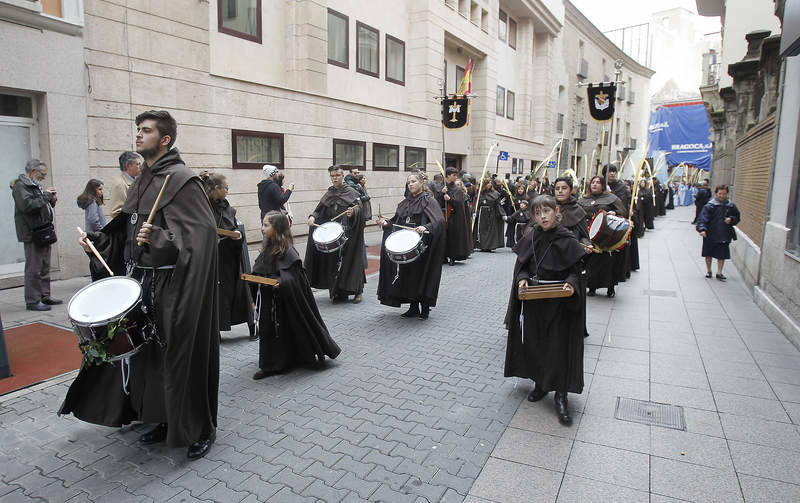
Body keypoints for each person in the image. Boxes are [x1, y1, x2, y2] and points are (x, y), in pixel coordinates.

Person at [61, 110, 219, 459]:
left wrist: (161, 236)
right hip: (141, 284)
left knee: (181, 355)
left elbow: (203, 238)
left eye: (146, 131)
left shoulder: (182, 180)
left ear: (165, 139)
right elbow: (126, 232)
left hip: (173, 286)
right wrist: (98, 243)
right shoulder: (144, 179)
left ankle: (199, 428)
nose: (138, 135)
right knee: (151, 358)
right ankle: (163, 418)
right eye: (137, 130)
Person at [504, 195, 587, 425]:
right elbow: (522, 266)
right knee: (536, 343)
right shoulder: (531, 237)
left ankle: (561, 395)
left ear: (556, 211)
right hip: (535, 301)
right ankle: (541, 385)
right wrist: (521, 279)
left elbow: (576, 269)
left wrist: (571, 282)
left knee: (558, 348)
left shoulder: (567, 238)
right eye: (538, 213)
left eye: (547, 211)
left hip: (559, 303)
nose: (543, 216)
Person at [250, 211, 340, 378]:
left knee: (285, 329)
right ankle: (269, 365)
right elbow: (259, 269)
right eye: (263, 224)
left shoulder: (288, 251)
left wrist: (281, 282)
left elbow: (295, 278)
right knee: (267, 329)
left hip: (285, 302)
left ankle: (288, 361)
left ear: (277, 228)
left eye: (266, 225)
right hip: (268, 299)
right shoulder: (267, 248)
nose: (262, 229)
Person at [376, 173, 445, 319]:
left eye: (413, 181)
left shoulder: (429, 201)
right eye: (408, 182)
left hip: (422, 245)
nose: (410, 185)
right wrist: (386, 223)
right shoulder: (405, 202)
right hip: (406, 245)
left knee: (422, 275)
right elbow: (396, 221)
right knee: (408, 276)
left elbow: (438, 221)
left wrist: (426, 227)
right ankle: (413, 307)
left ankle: (424, 308)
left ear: (421, 183)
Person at [202, 172, 255, 339]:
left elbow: (232, 226)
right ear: (216, 188)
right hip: (214, 260)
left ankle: (252, 325)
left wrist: (237, 234)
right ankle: (216, 330)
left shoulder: (227, 208)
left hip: (231, 258)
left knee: (240, 292)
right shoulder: (203, 207)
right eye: (226, 188)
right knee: (216, 294)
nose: (227, 191)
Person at [305, 165, 366, 303]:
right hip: (332, 234)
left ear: (342, 175)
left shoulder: (351, 192)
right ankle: (339, 292)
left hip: (348, 233)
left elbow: (361, 210)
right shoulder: (329, 193)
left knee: (351, 261)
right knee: (334, 263)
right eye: (332, 176)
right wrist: (312, 217)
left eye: (337, 175)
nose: (335, 178)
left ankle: (357, 291)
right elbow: (319, 210)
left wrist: (353, 213)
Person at [11, 159, 61, 311]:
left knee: (45, 266)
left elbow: (40, 205)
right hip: (32, 233)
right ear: (32, 171)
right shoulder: (20, 186)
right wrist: (45, 196)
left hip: (43, 230)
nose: (44, 177)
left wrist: (51, 200)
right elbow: (28, 206)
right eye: (42, 174)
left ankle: (44, 296)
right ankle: (33, 300)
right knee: (34, 268)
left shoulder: (34, 185)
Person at [578, 176, 626, 298]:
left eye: (598, 182)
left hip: (606, 235)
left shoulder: (611, 198)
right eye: (593, 182)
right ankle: (592, 286)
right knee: (591, 262)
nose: (594, 184)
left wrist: (614, 213)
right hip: (589, 233)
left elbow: (622, 211)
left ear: (603, 185)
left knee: (608, 262)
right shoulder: (584, 199)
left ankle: (610, 287)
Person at [696, 184, 740, 281]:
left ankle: (719, 272)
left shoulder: (731, 205)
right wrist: (702, 229)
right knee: (708, 253)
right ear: (716, 193)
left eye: (724, 194)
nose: (722, 196)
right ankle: (709, 270)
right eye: (720, 193)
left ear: (727, 194)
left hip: (724, 233)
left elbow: (737, 217)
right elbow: (702, 219)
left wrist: (731, 219)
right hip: (710, 232)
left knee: (722, 254)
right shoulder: (710, 205)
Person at [436, 167, 471, 265]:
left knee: (452, 237)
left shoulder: (457, 189)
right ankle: (443, 256)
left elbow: (459, 204)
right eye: (454, 175)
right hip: (442, 215)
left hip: (453, 217)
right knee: (443, 236)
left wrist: (450, 199)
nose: (456, 177)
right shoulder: (440, 187)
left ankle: (452, 256)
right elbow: (435, 201)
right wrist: (441, 194)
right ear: (447, 175)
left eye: (456, 175)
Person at [77, 179, 107, 281]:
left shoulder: (92, 202)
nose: (101, 192)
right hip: (95, 237)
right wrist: (102, 231)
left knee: (95, 261)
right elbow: (93, 220)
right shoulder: (93, 203)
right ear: (93, 190)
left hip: (94, 236)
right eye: (99, 189)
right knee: (97, 262)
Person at [473, 178, 506, 251]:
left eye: (491, 183)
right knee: (482, 230)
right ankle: (482, 245)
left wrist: (502, 214)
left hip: (491, 213)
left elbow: (498, 205)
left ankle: (489, 246)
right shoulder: (479, 194)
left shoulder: (495, 194)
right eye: (488, 183)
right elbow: (476, 204)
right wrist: (474, 212)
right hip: (482, 213)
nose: (490, 184)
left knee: (490, 230)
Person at [108, 152, 142, 218]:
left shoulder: (133, 181)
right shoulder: (120, 184)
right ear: (128, 166)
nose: (140, 167)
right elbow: (116, 212)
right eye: (138, 164)